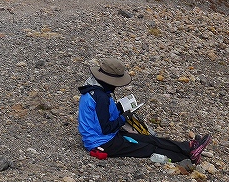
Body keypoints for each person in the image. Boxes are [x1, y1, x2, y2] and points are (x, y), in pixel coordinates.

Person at [78, 58, 210, 163]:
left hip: (107, 137)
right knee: (148, 148)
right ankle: (188, 158)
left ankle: (188, 147)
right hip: (103, 142)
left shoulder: (93, 90)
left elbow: (100, 116)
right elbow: (105, 128)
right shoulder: (101, 97)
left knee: (150, 139)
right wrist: (124, 117)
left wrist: (119, 108)